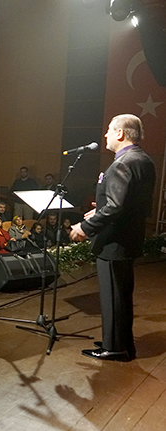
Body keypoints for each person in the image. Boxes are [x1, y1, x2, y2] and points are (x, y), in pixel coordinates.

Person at [70, 114, 155, 362]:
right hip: (128, 238)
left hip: (114, 241)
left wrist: (86, 226)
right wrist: (102, 207)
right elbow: (131, 202)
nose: (105, 135)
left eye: (109, 130)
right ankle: (120, 342)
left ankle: (115, 348)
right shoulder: (143, 160)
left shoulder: (121, 163)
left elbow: (116, 207)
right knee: (121, 296)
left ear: (120, 134)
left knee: (112, 297)